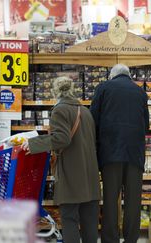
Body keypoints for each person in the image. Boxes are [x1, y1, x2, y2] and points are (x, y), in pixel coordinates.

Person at [22, 77, 100, 243]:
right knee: (89, 222)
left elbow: (62, 139)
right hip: (90, 174)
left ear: (55, 92)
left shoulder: (59, 110)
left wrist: (33, 143)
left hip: (72, 173)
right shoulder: (86, 111)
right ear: (73, 91)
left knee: (70, 219)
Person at [90, 64, 149, 243]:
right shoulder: (140, 92)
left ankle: (110, 239)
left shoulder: (103, 88)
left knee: (110, 198)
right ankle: (131, 239)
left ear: (112, 75)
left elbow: (93, 120)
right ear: (129, 75)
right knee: (133, 200)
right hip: (134, 153)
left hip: (110, 152)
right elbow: (146, 125)